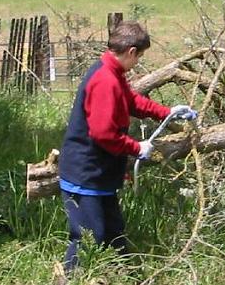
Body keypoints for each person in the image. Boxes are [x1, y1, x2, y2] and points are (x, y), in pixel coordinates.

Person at [57, 21, 192, 273]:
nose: (138, 62)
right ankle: (69, 278)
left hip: (100, 175)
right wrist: (136, 147)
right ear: (131, 51)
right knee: (88, 238)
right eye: (139, 56)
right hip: (85, 174)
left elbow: (131, 101)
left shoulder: (112, 74)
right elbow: (103, 134)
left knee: (114, 234)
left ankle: (125, 277)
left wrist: (166, 112)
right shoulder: (104, 80)